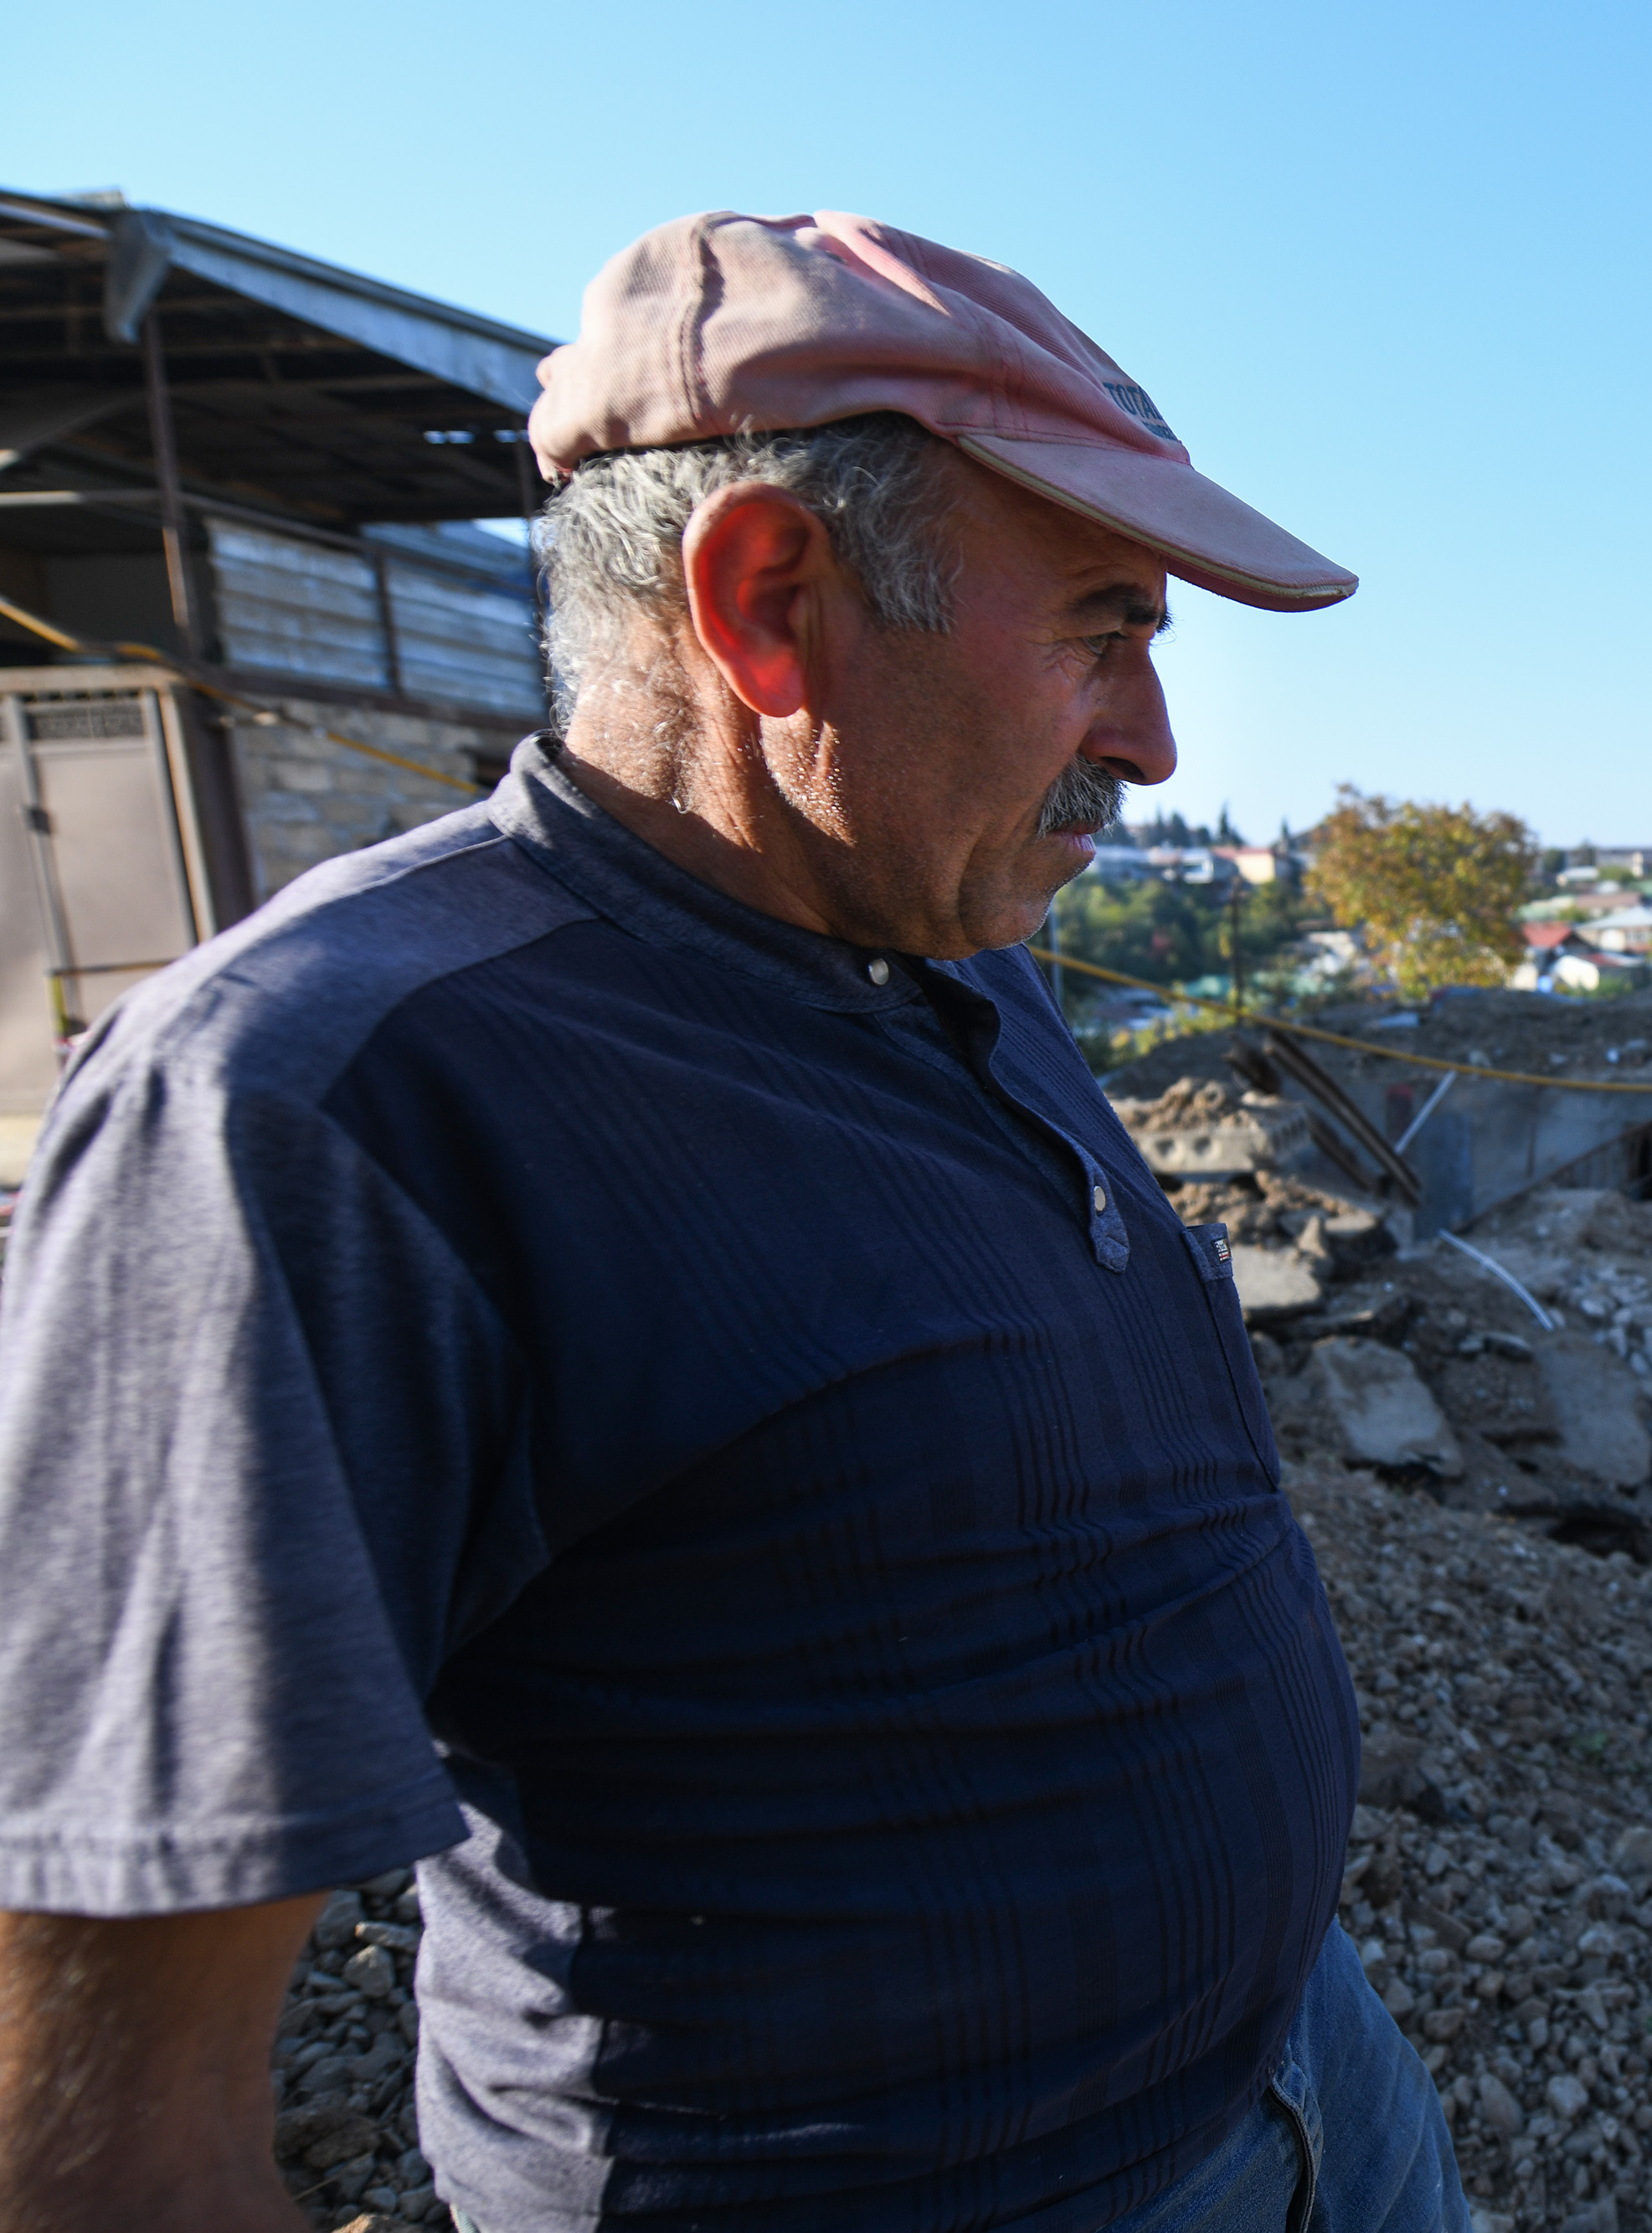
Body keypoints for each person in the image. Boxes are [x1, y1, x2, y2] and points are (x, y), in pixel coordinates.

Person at [0, 210, 1464, 2233]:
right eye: (1101, 625)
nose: (1151, 739)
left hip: (1311, 2089)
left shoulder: (943, 950)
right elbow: (95, 2131)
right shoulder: (321, 1104)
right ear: (770, 598)